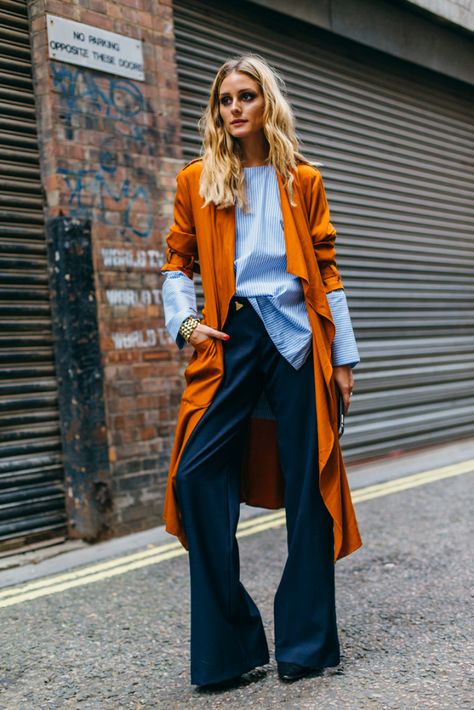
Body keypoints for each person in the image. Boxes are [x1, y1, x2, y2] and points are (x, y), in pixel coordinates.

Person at [160, 54, 362, 689]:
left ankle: (304, 646)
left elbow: (326, 270)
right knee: (196, 476)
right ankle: (230, 645)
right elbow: (175, 263)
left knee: (307, 487)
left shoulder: (302, 179)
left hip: (299, 338)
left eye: (246, 96)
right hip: (230, 336)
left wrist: (346, 358)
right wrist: (186, 325)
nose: (235, 108)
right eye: (225, 100)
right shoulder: (197, 180)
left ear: (266, 102)